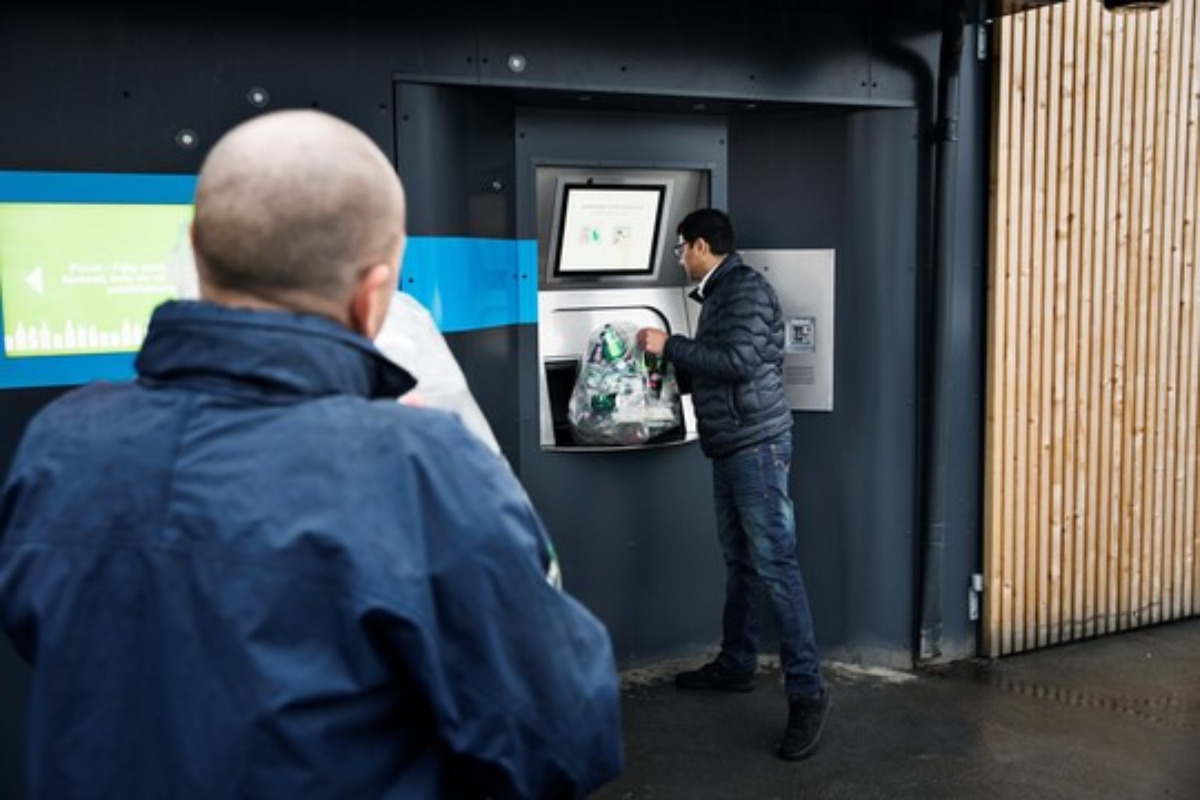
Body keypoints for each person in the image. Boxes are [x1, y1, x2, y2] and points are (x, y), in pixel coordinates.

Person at [0, 109, 622, 799]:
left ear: (196, 252)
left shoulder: (62, 441)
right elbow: (566, 737)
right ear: (373, 292)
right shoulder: (422, 469)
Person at [637, 208, 830, 762]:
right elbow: (718, 366)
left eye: (680, 248)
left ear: (700, 245)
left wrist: (668, 346)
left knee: (776, 565)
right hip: (732, 445)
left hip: (757, 448)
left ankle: (808, 693)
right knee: (742, 561)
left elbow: (740, 360)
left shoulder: (741, 289)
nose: (679, 258)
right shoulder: (719, 294)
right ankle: (737, 663)